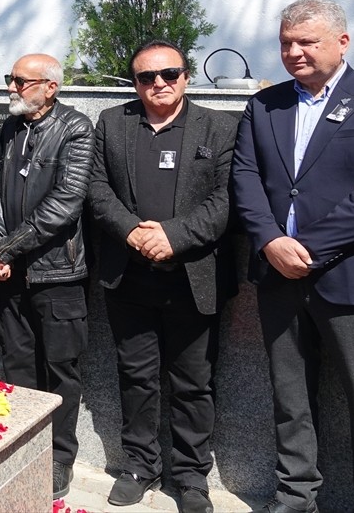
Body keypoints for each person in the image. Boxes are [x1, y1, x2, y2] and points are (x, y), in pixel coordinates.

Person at [232, 0, 354, 513]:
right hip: (278, 277)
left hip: (352, 279)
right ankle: (295, 497)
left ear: (342, 42)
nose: (293, 52)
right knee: (290, 399)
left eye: (306, 42)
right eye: (285, 43)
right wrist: (271, 241)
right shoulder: (264, 104)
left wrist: (309, 249)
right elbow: (245, 180)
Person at [88, 40, 238, 513]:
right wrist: (133, 232)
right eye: (146, 77)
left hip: (194, 278)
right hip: (128, 277)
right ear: (134, 82)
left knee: (194, 382)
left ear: (187, 76)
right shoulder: (114, 123)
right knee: (136, 376)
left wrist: (172, 235)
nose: (158, 84)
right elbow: (95, 189)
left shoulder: (220, 126)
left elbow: (226, 200)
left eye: (169, 74)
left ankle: (191, 477)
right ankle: (138, 465)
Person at [0, 54, 95, 500]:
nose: (12, 88)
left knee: (61, 368)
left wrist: (7, 247)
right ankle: (24, 447)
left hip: (57, 271)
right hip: (6, 270)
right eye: (10, 79)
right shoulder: (2, 127)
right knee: (17, 364)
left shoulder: (76, 128)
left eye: (21, 82)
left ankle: (60, 456)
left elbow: (66, 203)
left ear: (50, 87)